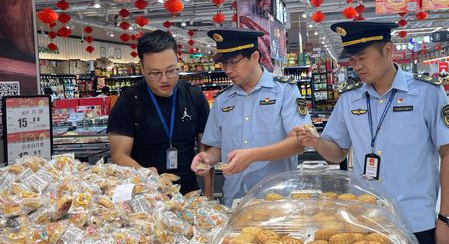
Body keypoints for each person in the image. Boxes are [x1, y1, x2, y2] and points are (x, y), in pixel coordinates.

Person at [294, 21, 449, 244]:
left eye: (362, 57)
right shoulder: (350, 98)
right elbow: (336, 152)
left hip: (415, 222)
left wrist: (446, 219)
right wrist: (316, 142)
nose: (356, 66)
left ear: (388, 50)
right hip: (365, 220)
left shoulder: (426, 92)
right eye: (351, 59)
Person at [191, 28, 312, 207]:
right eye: (223, 64)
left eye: (233, 62)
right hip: (234, 200)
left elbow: (298, 143)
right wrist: (207, 158)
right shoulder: (222, 100)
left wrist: (253, 156)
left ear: (255, 57)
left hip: (277, 200)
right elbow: (216, 147)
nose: (228, 70)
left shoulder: (285, 91)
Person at [107, 30, 213, 197]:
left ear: (178, 61)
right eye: (155, 73)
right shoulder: (129, 100)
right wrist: (145, 174)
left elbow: (205, 150)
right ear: (142, 67)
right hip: (146, 198)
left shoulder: (194, 95)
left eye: (171, 70)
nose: (165, 79)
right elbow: (119, 155)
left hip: (189, 197)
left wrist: (208, 197)